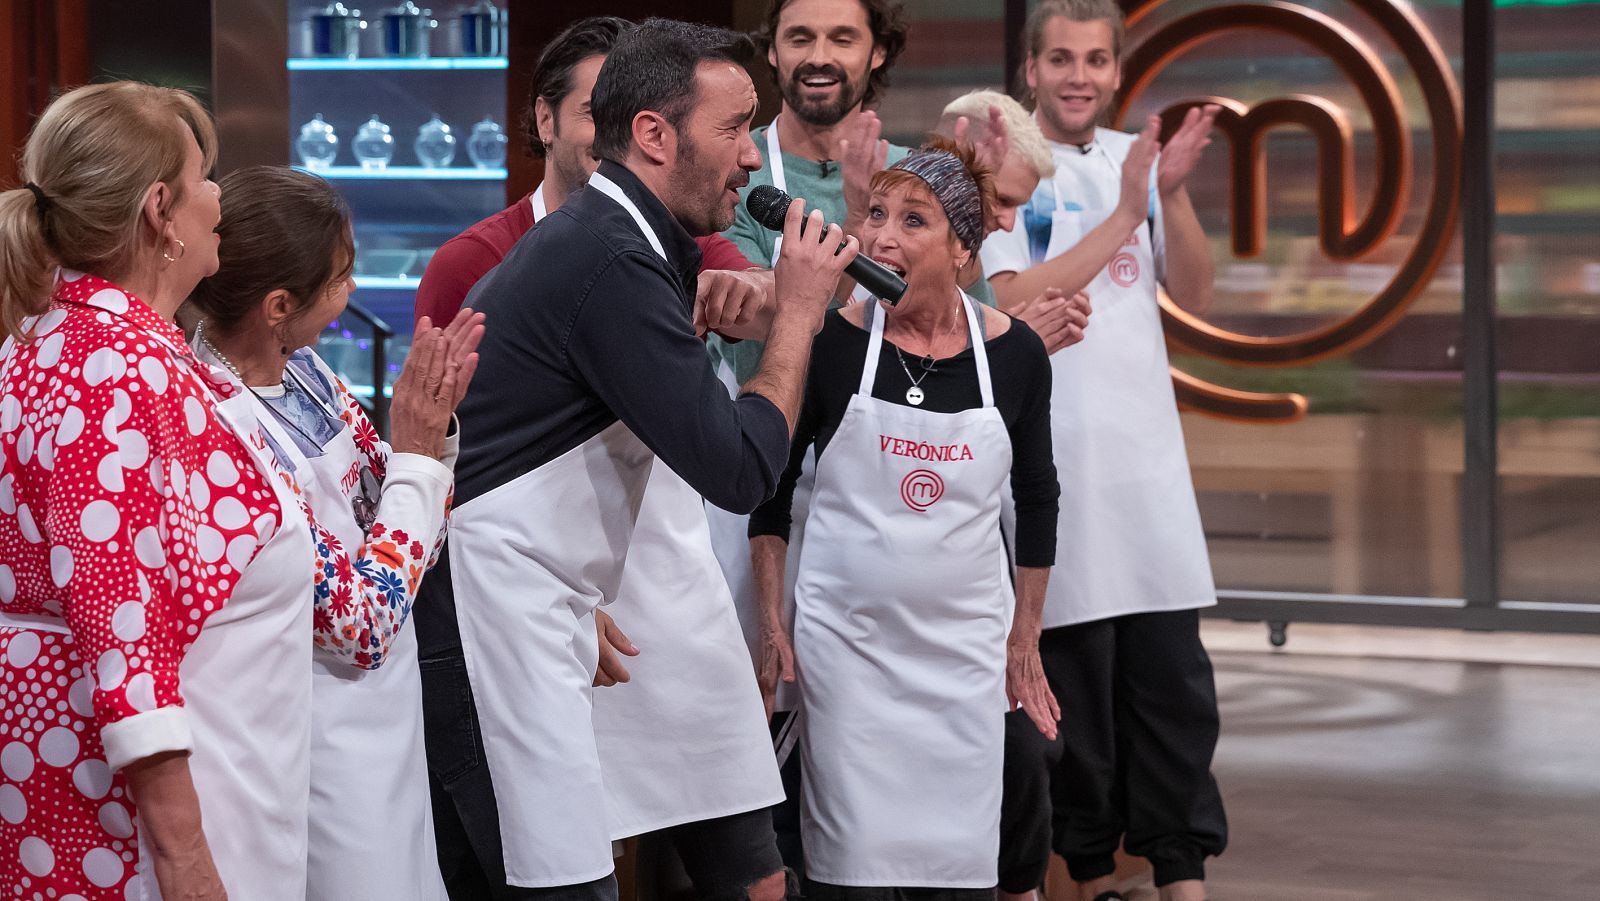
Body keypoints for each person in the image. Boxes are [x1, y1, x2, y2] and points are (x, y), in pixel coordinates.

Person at [412, 18, 856, 900]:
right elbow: (739, 469)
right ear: (654, 135)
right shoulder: (610, 256)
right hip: (488, 617)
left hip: (549, 604)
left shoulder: (626, 241)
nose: (753, 162)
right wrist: (800, 315)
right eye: (735, 131)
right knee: (561, 884)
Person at [0, 81, 455, 901]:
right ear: (161, 212)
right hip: (146, 829)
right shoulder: (119, 371)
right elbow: (123, 632)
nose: (222, 198)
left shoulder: (79, 339)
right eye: (206, 177)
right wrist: (187, 860)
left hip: (150, 793)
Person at [748, 139, 1060, 899]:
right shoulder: (830, 343)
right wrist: (771, 620)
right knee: (847, 869)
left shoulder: (1015, 355)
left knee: (965, 867)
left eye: (913, 220)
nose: (882, 237)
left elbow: (1040, 496)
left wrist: (1026, 636)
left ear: (962, 250)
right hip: (849, 658)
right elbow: (771, 491)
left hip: (966, 656)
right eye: (876, 214)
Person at [979, 2, 1228, 900]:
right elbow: (1007, 298)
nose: (1078, 75)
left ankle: (1181, 876)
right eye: (1059, 59)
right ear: (1030, 70)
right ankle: (1087, 877)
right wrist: (1128, 212)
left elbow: (1194, 291)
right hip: (1054, 479)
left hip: (1149, 480)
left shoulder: (1137, 160)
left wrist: (1162, 192)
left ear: (1117, 71)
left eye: (1095, 59)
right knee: (1072, 712)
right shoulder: (1002, 165)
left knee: (1174, 699)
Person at [187, 165, 482, 901]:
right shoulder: (217, 424)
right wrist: (417, 461)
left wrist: (428, 440)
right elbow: (361, 624)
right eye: (341, 277)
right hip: (316, 746)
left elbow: (408, 533)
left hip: (389, 725)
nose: (350, 293)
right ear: (279, 304)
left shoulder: (309, 367)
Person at [414, 17, 767, 331]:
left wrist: (752, 285)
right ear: (546, 120)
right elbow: (434, 403)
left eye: (633, 117)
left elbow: (774, 304)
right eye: (596, 114)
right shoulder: (467, 262)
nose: (618, 135)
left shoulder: (681, 239)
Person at [934, 90, 1090, 352]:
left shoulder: (968, 269)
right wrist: (1011, 348)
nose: (1008, 224)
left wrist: (1012, 343)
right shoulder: (879, 239)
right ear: (954, 163)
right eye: (1002, 200)